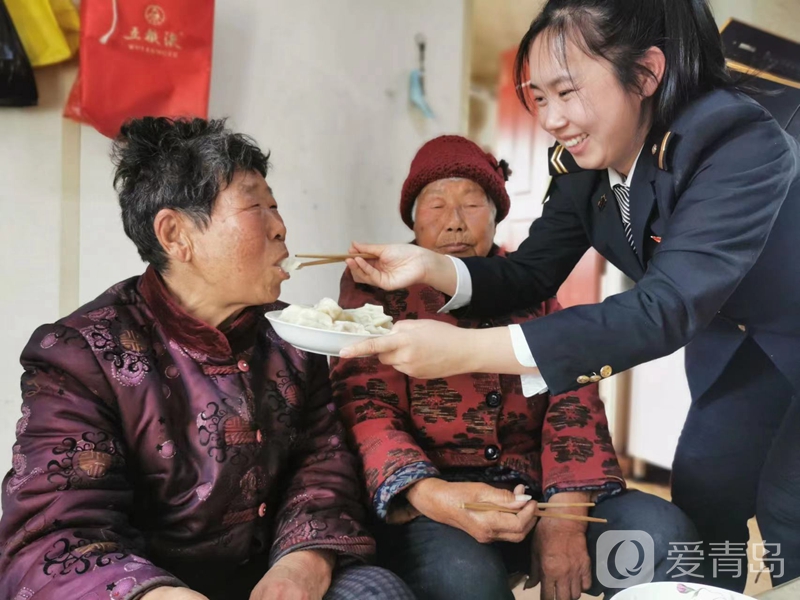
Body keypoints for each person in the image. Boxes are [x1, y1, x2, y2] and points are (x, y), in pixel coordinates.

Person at [340, 0, 800, 593]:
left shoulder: (733, 137)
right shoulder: (585, 165)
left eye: (567, 91)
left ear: (646, 72)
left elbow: (662, 308)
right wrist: (436, 268)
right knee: (707, 483)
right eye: (538, 97)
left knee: (788, 505)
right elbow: (530, 274)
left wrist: (463, 352)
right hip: (737, 342)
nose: (551, 119)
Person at [0, 118, 414, 600]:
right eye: (256, 208)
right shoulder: (81, 354)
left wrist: (303, 563)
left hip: (267, 577)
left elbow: (321, 464)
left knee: (378, 591)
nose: (281, 227)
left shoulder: (293, 337)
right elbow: (52, 536)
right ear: (176, 235)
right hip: (143, 589)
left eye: (275, 206)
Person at [331, 135, 697, 600]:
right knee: (466, 581)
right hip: (436, 499)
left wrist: (564, 516)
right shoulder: (377, 288)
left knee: (662, 535)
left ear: (496, 215)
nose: (455, 221)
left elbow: (574, 393)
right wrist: (432, 495)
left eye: (472, 204)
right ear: (413, 219)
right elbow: (366, 407)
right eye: (436, 205)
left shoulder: (526, 280)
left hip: (542, 491)